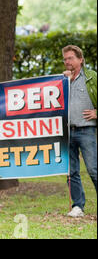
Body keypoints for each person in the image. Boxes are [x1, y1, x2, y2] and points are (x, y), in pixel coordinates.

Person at [62, 45, 97, 218]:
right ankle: (78, 206)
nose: (67, 61)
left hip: (86, 131)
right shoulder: (62, 80)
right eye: (65, 59)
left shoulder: (92, 77)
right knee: (71, 171)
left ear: (80, 59)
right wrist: (64, 81)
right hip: (67, 132)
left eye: (70, 58)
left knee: (93, 169)